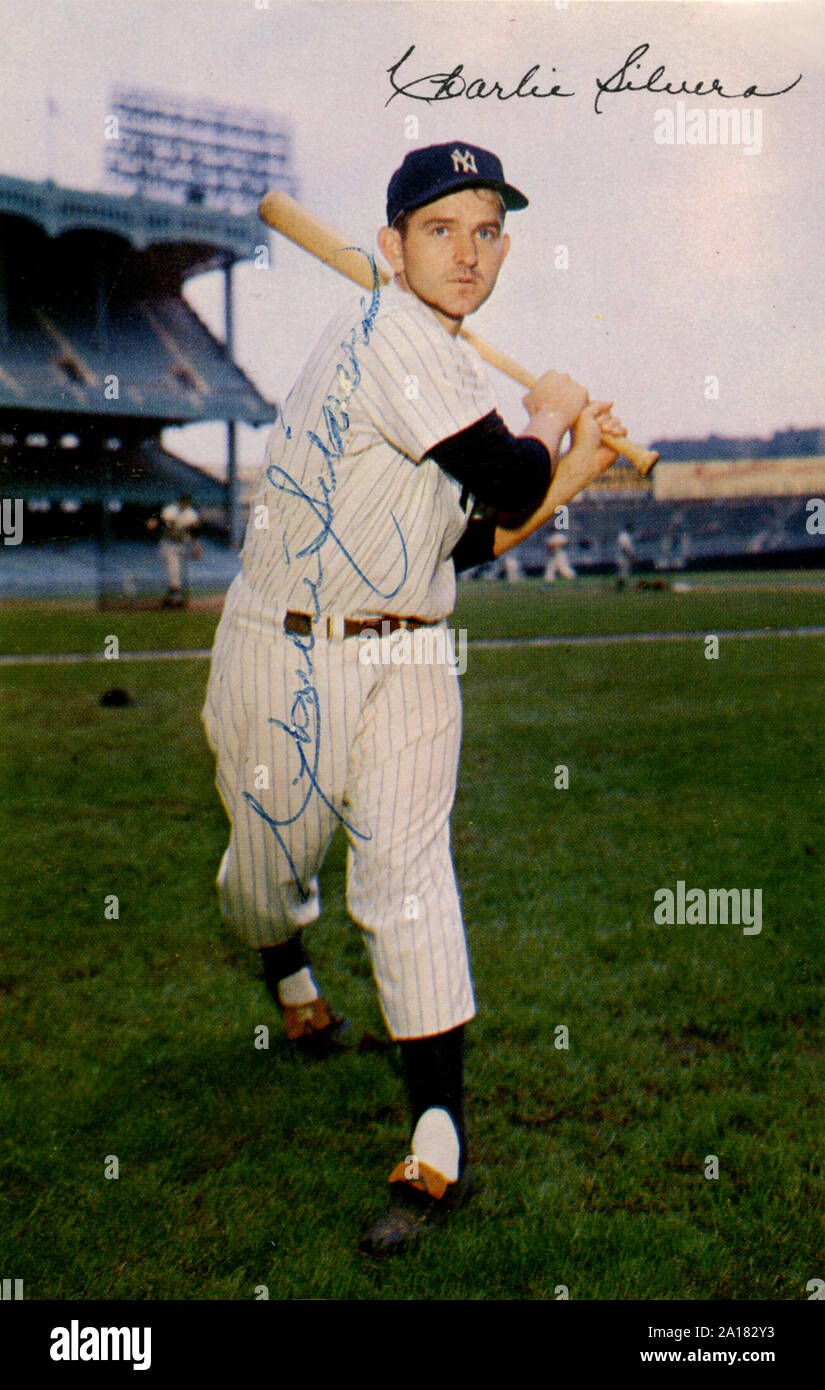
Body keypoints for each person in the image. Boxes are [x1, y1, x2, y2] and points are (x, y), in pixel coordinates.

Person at [201, 142, 625, 1256]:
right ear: (391, 249)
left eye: (487, 231)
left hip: (409, 654)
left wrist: (570, 464)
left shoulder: (441, 364)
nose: (468, 253)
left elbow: (468, 539)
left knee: (410, 884)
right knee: (262, 873)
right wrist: (556, 408)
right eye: (441, 230)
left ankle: (438, 1140)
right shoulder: (388, 334)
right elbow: (512, 476)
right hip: (281, 652)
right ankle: (283, 961)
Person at [146, 491, 200, 607]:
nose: (184, 503)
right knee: (173, 569)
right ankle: (175, 598)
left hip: (183, 543)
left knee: (178, 572)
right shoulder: (171, 510)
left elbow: (195, 531)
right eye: (183, 501)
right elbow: (162, 519)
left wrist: (196, 546)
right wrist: (155, 522)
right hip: (169, 542)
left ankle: (174, 598)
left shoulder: (191, 513)